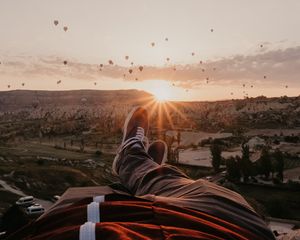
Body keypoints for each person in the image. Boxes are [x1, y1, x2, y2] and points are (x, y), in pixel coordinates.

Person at [7, 107, 275, 240]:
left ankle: (134, 161)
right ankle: (141, 168)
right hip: (240, 229)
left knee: (203, 194)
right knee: (219, 198)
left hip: (207, 226)